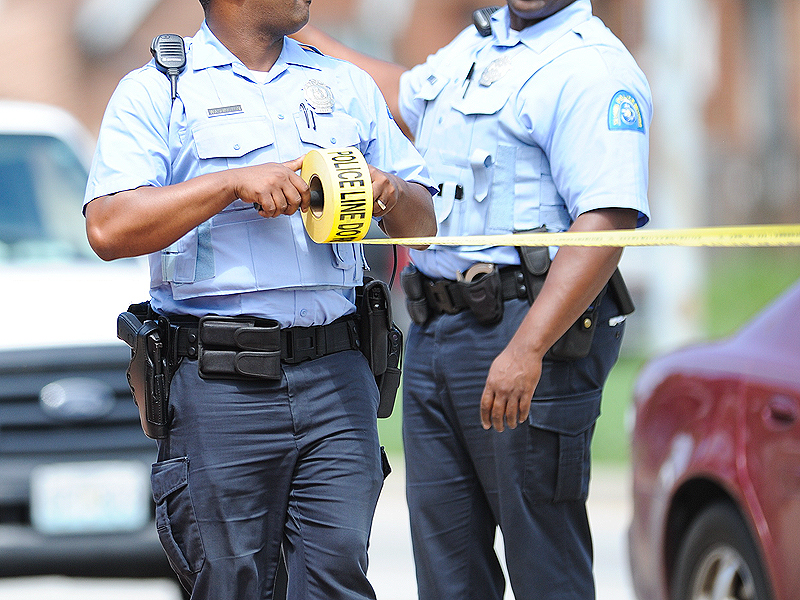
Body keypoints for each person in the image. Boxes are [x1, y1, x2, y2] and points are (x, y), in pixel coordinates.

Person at [293, 1, 652, 599]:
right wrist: (290, 26)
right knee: (447, 568)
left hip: (524, 333)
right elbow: (393, 94)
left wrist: (527, 349)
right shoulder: (481, 45)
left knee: (544, 563)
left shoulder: (592, 67)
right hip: (438, 330)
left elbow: (605, 226)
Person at [82, 0, 437, 598]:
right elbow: (108, 228)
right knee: (234, 584)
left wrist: (393, 190)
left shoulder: (343, 85)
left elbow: (423, 224)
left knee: (337, 580)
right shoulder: (159, 91)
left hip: (337, 377)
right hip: (221, 385)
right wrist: (229, 182)